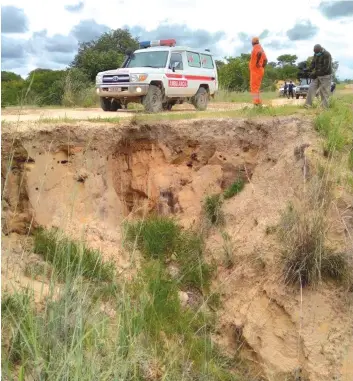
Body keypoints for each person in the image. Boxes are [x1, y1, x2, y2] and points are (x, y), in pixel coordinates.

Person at [305, 44, 332, 108]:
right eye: (315, 52)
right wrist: (308, 69)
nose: (316, 53)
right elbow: (313, 64)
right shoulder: (316, 54)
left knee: (324, 92)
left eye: (317, 52)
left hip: (325, 76)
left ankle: (324, 108)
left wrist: (315, 73)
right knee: (311, 88)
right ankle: (308, 106)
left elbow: (326, 68)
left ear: (320, 49)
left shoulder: (327, 54)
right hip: (317, 75)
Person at [249, 37, 267, 106]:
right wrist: (262, 67)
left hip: (255, 71)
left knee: (254, 88)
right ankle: (258, 102)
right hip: (259, 71)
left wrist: (256, 63)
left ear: (252, 42)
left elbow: (258, 53)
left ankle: (256, 103)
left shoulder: (256, 47)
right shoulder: (261, 48)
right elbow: (265, 60)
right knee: (256, 87)